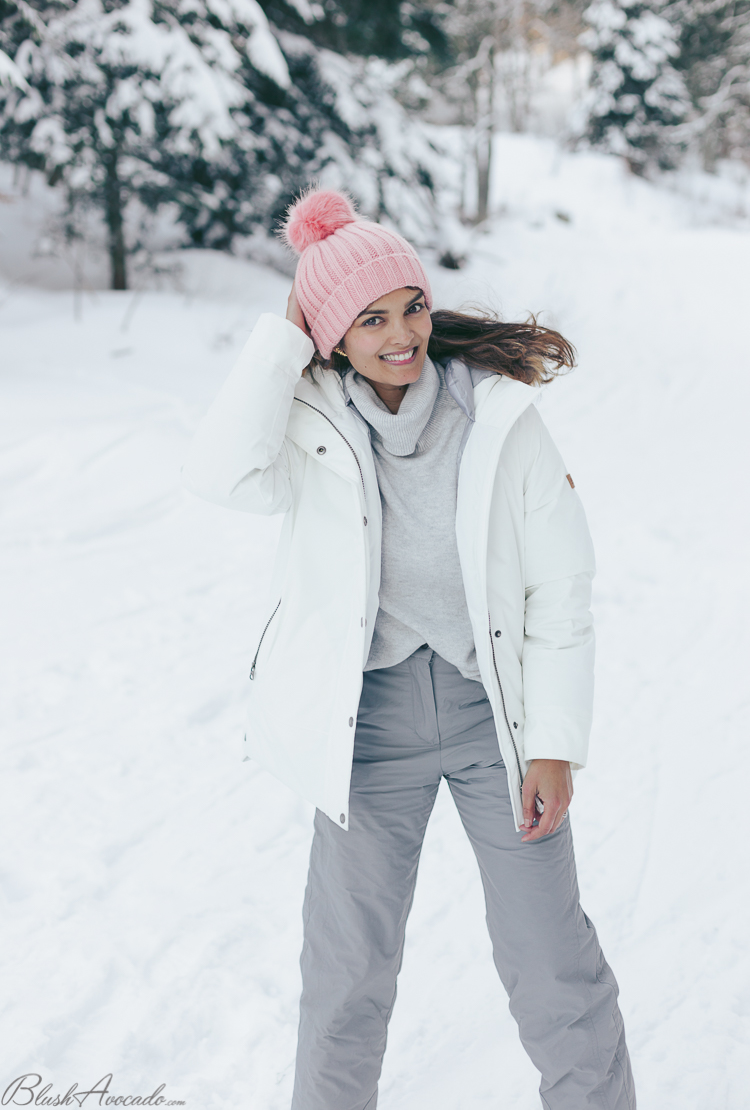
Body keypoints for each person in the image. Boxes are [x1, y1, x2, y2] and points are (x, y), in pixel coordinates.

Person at [182, 187, 636, 1110]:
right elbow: (220, 474)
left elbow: (560, 583)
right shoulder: (308, 421)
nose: (401, 334)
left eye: (411, 306)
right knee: (347, 979)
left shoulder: (500, 419)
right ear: (329, 336)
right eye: (369, 318)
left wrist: (552, 738)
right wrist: (281, 341)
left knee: (554, 969)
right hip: (367, 731)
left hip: (492, 723)